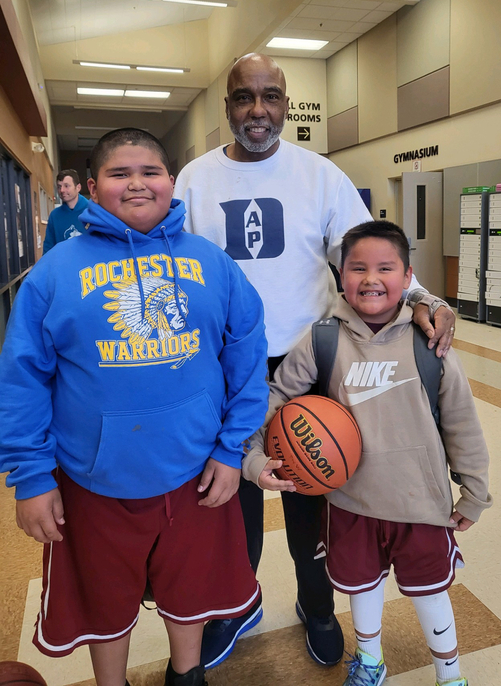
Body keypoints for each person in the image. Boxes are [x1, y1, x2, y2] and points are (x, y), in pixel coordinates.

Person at [174, 53, 456, 669]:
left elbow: (368, 253)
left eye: (270, 97)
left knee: (313, 487)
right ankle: (235, 603)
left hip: (308, 362)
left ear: (286, 104)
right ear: (227, 106)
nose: (258, 110)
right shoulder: (193, 180)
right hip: (224, 364)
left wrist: (423, 298)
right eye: (244, 97)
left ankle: (317, 603)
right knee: (231, 497)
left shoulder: (320, 175)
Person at [0, 129, 269, 686]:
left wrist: (231, 448)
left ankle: (186, 675)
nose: (137, 184)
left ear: (171, 181)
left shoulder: (211, 262)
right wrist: (31, 476)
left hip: (196, 471)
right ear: (92, 187)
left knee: (190, 592)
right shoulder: (55, 272)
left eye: (150, 172)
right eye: (119, 174)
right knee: (105, 601)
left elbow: (246, 356)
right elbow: (23, 378)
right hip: (93, 479)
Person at [244, 220, 492, 686]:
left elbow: (462, 422)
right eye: (357, 268)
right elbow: (273, 400)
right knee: (361, 590)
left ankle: (450, 674)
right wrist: (254, 459)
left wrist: (475, 492)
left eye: (385, 268)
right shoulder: (322, 340)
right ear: (340, 275)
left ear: (408, 276)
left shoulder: (429, 343)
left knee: (430, 593)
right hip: (351, 504)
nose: (371, 279)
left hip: (422, 504)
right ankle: (370, 663)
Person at [43, 169, 89, 253]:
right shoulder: (55, 216)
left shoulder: (93, 211)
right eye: (59, 187)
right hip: (63, 260)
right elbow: (48, 247)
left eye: (66, 186)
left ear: (78, 187)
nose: (62, 190)